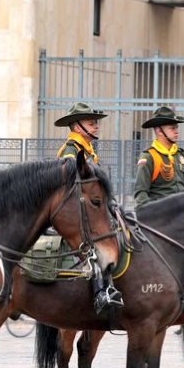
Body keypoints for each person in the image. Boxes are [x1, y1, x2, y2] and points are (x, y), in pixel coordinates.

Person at [53, 102, 120, 315]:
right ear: (76, 126)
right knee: (93, 247)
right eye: (90, 122)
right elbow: (70, 188)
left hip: (87, 211)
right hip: (73, 214)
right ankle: (101, 293)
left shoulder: (87, 151)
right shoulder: (71, 151)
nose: (96, 125)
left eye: (96, 121)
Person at [133, 106, 184, 207]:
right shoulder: (149, 157)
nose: (176, 131)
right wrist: (150, 214)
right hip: (160, 214)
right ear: (159, 131)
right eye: (172, 128)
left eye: (176, 127)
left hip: (181, 212)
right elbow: (141, 193)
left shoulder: (181, 156)